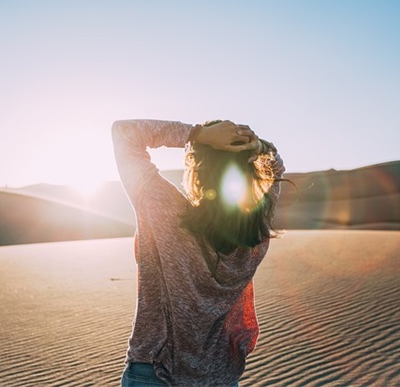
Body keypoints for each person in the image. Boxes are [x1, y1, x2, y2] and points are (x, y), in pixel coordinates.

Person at [112, 119, 285, 387]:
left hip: (156, 372)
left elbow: (123, 133)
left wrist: (197, 134)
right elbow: (275, 169)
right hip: (220, 378)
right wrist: (258, 145)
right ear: (250, 170)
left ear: (196, 168)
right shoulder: (255, 235)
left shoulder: (164, 209)